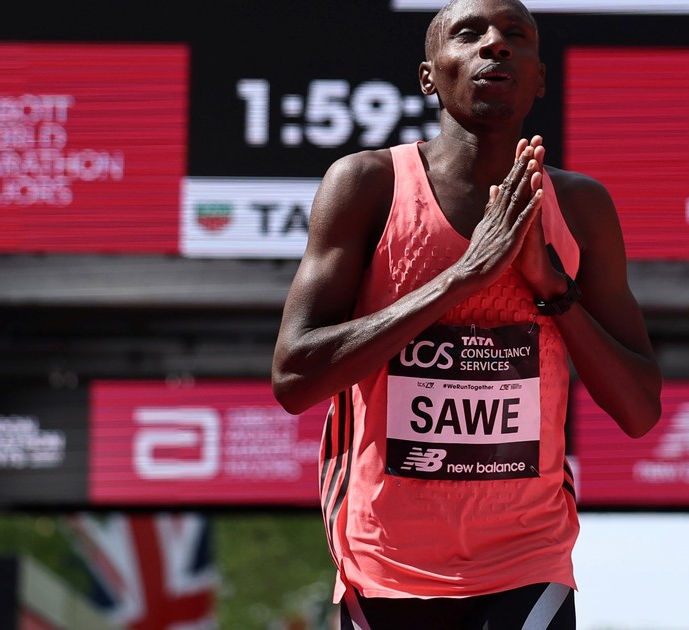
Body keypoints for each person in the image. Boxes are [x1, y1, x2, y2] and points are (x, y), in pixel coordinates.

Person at [271, 0, 662, 627]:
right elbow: (294, 377)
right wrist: (463, 277)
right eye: (469, 33)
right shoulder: (368, 184)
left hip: (528, 561)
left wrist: (554, 290)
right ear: (429, 76)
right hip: (385, 566)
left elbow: (640, 411)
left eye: (516, 35)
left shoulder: (580, 207)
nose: (495, 44)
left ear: (539, 78)